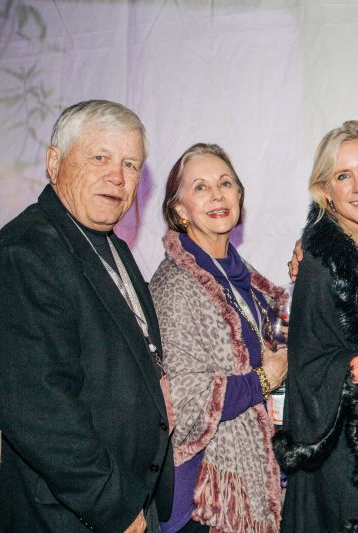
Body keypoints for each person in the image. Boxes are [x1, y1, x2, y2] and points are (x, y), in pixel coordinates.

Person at [0, 100, 173, 532]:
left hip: (132, 501)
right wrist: (118, 509)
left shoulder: (114, 247)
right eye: (100, 157)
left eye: (130, 164)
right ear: (55, 162)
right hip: (75, 515)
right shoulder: (26, 252)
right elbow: (38, 410)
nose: (117, 177)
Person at [273, 121, 358, 532]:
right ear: (326, 190)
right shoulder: (322, 260)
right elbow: (309, 363)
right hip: (340, 454)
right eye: (342, 176)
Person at [149, 143, 288, 532]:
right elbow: (186, 401)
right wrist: (264, 379)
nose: (217, 195)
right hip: (204, 501)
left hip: (255, 480)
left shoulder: (245, 280)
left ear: (239, 197)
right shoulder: (175, 287)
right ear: (179, 211)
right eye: (201, 187)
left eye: (226, 183)